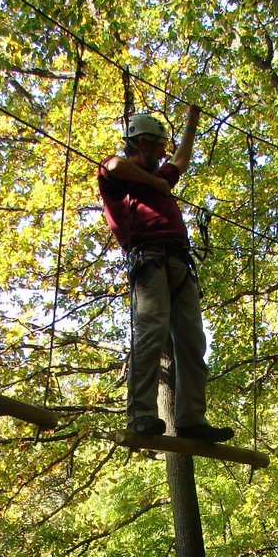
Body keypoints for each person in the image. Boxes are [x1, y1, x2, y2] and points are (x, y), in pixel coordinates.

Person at [97, 106, 234, 443]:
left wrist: (191, 127)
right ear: (141, 142)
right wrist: (156, 183)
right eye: (159, 148)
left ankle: (190, 419)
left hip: (179, 263)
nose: (163, 155)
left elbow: (181, 163)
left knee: (192, 341)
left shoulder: (158, 175)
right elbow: (114, 164)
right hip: (150, 259)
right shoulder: (116, 174)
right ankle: (142, 413)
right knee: (151, 332)